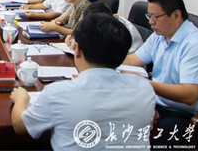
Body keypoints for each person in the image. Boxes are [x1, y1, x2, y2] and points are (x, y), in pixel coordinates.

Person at [10, 13, 155, 150]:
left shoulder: (57, 93)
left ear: (77, 49)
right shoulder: (144, 88)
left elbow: (19, 126)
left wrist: (21, 99)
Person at [123, 0, 198, 143]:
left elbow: (189, 95)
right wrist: (97, 57)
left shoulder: (195, 45)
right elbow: (132, 60)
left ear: (176, 15)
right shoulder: (160, 36)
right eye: (149, 16)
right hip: (162, 104)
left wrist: (145, 83)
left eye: (155, 17)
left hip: (194, 118)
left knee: (140, 137)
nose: (150, 22)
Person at [65, 2, 144, 54]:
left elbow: (103, 54)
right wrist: (73, 37)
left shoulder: (122, 32)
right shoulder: (107, 22)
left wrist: (79, 44)